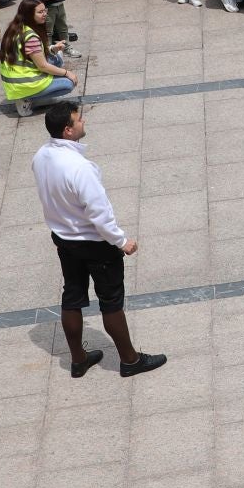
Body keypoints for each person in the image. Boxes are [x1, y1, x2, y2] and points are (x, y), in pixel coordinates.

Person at [32, 102, 164, 378]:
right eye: (79, 120)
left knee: (73, 295)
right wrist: (121, 241)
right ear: (68, 130)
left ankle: (78, 359)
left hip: (64, 238)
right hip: (94, 243)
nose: (84, 123)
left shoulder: (42, 155)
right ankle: (130, 360)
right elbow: (99, 213)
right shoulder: (80, 168)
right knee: (111, 301)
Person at [0, 0, 79, 116]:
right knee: (68, 84)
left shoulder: (16, 27)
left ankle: (33, 96)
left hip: (14, 79)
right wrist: (67, 73)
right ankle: (27, 100)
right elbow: (43, 66)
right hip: (23, 83)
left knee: (56, 59)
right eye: (40, 12)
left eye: (45, 10)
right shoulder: (31, 36)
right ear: (29, 14)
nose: (45, 14)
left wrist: (53, 48)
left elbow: (31, 53)